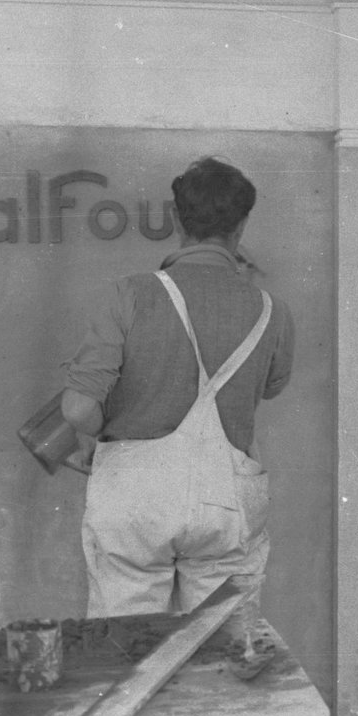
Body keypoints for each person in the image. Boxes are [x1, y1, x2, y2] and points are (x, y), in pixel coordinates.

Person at [61, 156, 296, 620]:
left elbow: (76, 408)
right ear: (242, 225)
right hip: (224, 502)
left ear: (176, 218)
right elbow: (270, 387)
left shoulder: (129, 294)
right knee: (221, 658)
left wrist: (98, 434)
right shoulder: (272, 310)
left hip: (134, 501)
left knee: (124, 656)